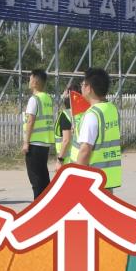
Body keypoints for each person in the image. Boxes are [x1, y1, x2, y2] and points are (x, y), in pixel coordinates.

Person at [74, 68, 122, 191]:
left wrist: (76, 178)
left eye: (83, 84)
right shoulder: (112, 109)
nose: (81, 87)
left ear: (89, 88)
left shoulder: (92, 114)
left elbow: (85, 150)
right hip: (108, 177)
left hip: (92, 179)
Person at [22, 69, 55, 198]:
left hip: (34, 143)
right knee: (43, 176)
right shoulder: (48, 98)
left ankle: (38, 204)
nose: (29, 82)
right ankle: (47, 203)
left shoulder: (34, 99)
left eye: (30, 79)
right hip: (44, 143)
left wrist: (26, 142)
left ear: (35, 82)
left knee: (36, 179)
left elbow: (30, 121)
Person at [54, 83, 81, 165]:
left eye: (65, 93)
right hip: (81, 158)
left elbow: (66, 140)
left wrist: (59, 160)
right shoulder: (84, 113)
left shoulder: (66, 114)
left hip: (68, 160)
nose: (63, 95)